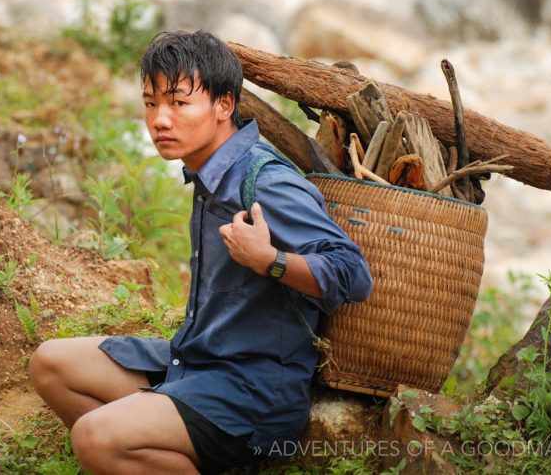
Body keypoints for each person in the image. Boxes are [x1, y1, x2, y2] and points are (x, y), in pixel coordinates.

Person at [28, 29, 373, 475]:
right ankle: (157, 449)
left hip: (251, 392)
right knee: (51, 365)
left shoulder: (265, 181)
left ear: (224, 105)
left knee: (94, 436)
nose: (159, 119)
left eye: (178, 102)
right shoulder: (210, 171)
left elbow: (353, 273)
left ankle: (134, 445)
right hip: (194, 360)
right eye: (151, 103)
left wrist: (270, 261)